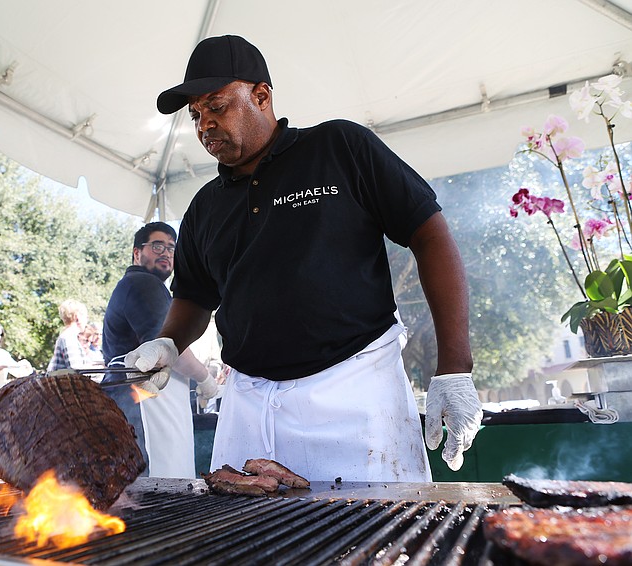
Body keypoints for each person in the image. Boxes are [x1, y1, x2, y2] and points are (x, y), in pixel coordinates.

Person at [126, 35, 482, 483]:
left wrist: (454, 368)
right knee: (243, 546)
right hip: (247, 406)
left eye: (216, 106)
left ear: (261, 95)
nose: (204, 125)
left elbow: (429, 234)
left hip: (354, 399)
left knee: (376, 545)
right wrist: (168, 342)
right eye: (196, 115)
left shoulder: (339, 147)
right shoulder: (204, 207)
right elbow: (195, 298)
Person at [103, 222, 217, 478]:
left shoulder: (138, 286)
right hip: (145, 401)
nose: (166, 252)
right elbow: (170, 349)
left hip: (139, 400)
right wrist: (205, 378)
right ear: (137, 253)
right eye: (157, 246)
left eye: (171, 248)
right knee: (162, 486)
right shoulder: (143, 284)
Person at [47, 299, 90, 371]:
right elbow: (77, 371)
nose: (86, 321)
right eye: (86, 317)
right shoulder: (69, 338)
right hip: (63, 382)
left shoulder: (68, 336)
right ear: (77, 317)